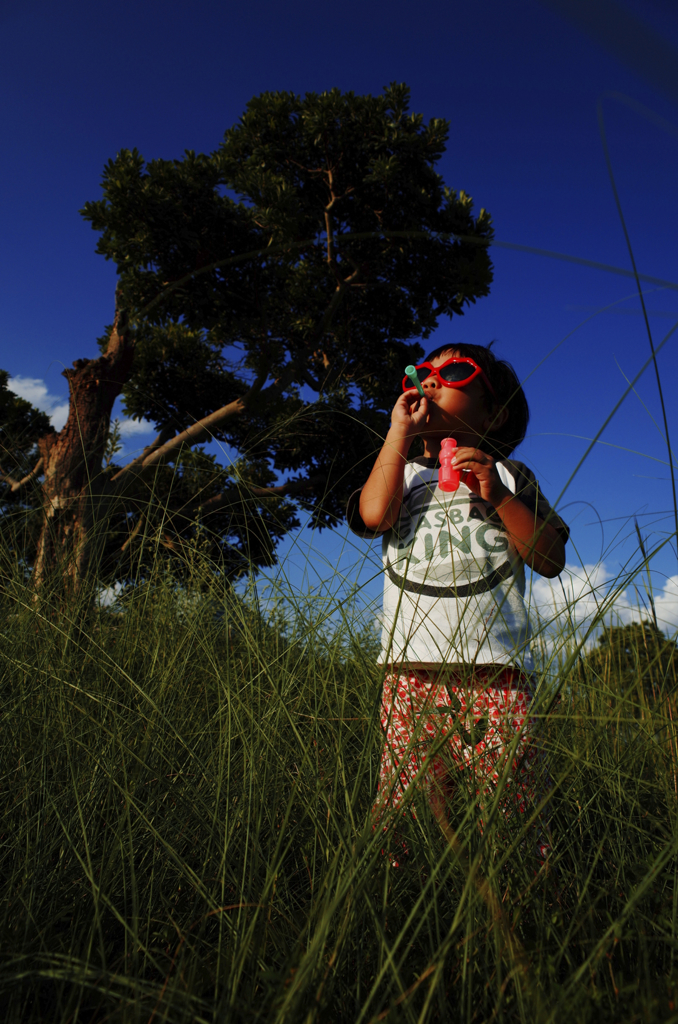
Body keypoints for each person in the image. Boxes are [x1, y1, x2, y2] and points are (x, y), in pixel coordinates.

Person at [347, 342, 569, 861]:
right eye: (422, 372)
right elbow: (375, 515)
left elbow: (550, 557)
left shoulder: (511, 476)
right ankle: (397, 890)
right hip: (411, 673)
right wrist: (398, 433)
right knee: (403, 807)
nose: (430, 379)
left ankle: (524, 897)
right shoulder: (400, 474)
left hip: (497, 673)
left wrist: (496, 495)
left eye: (454, 372)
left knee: (511, 807)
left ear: (495, 413)